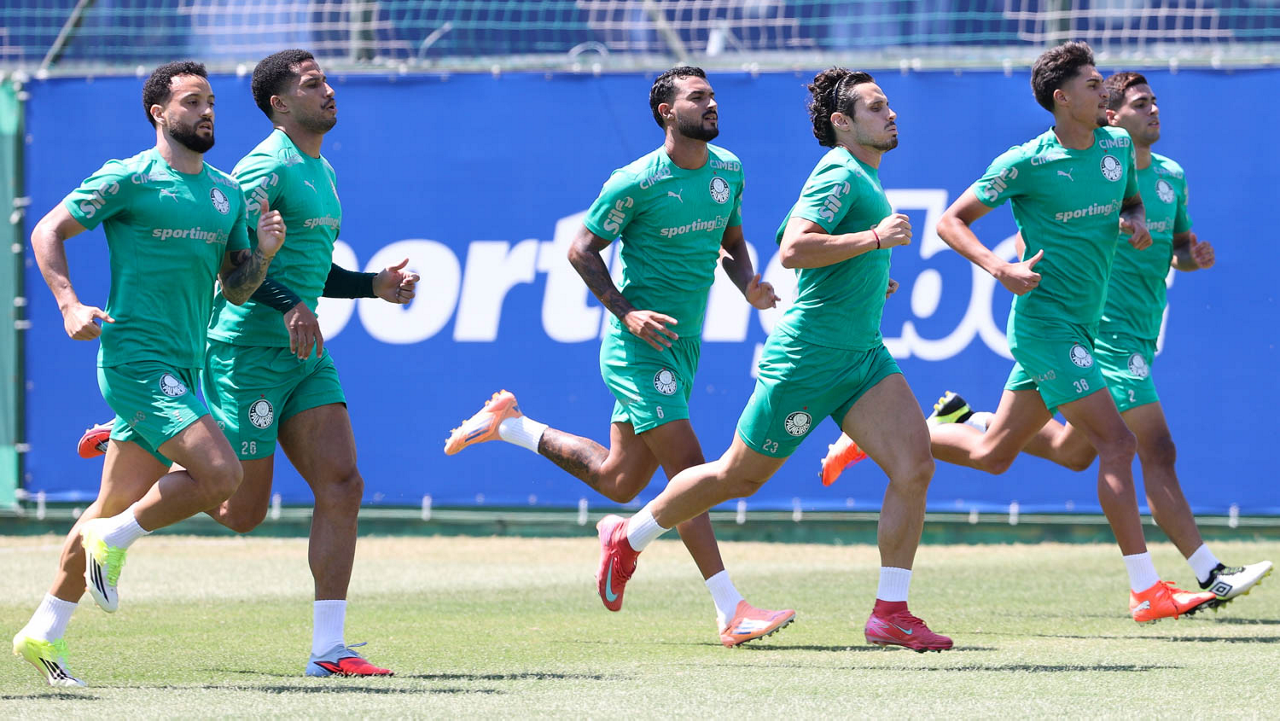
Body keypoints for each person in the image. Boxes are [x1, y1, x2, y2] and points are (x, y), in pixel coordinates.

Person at [73, 49, 420, 676]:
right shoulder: (264, 166)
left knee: (343, 484)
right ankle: (146, 447)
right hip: (247, 353)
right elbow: (236, 267)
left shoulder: (321, 170)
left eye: (326, 81)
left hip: (304, 355)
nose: (329, 91)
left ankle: (329, 650)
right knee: (241, 512)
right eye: (313, 85)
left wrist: (373, 286)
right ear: (280, 104)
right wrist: (288, 304)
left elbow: (312, 269)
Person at [592, 68, 953, 652]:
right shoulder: (840, 170)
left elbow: (793, 233)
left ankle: (890, 612)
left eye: (888, 105)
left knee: (915, 466)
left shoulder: (859, 174)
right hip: (809, 358)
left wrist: (864, 273)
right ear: (842, 123)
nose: (891, 114)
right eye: (876, 107)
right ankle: (628, 537)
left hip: (862, 354)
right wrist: (873, 242)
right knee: (738, 477)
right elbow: (794, 247)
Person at [443, 66, 794, 648]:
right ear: (666, 112)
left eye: (712, 96)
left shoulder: (728, 169)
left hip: (683, 345)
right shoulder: (635, 181)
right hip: (638, 348)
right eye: (697, 97)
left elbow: (731, 241)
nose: (711, 104)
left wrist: (749, 285)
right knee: (692, 473)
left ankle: (511, 426)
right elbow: (581, 250)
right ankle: (730, 608)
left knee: (619, 478)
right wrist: (627, 313)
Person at [908, 71, 1271, 606]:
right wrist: (1002, 267)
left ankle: (913, 432)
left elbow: (1161, 231)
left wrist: (1159, 235)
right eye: (1132, 100)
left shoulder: (1139, 161)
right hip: (1083, 334)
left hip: (1109, 329)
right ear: (1072, 101)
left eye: (1150, 100)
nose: (1151, 109)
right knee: (1135, 445)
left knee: (1025, 452)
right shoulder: (1031, 161)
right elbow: (964, 223)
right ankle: (1181, 580)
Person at [13, 61, 283, 686]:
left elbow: (236, 289)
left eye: (210, 101)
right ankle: (115, 540)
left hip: (184, 367)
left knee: (110, 505)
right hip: (135, 359)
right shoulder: (129, 177)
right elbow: (48, 229)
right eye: (191, 101)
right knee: (222, 475)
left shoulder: (225, 193)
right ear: (159, 113)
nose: (206, 111)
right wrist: (69, 305)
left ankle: (43, 631)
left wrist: (264, 255)